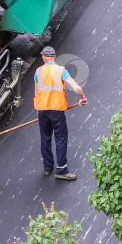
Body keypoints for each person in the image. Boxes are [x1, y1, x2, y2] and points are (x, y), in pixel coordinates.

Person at [34, 46, 88, 180]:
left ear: (44, 58)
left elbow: (36, 92)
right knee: (60, 138)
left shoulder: (38, 72)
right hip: (56, 111)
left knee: (45, 138)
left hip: (42, 110)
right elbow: (75, 87)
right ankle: (62, 169)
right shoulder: (61, 71)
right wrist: (82, 98)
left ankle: (47, 167)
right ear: (55, 57)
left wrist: (38, 110)